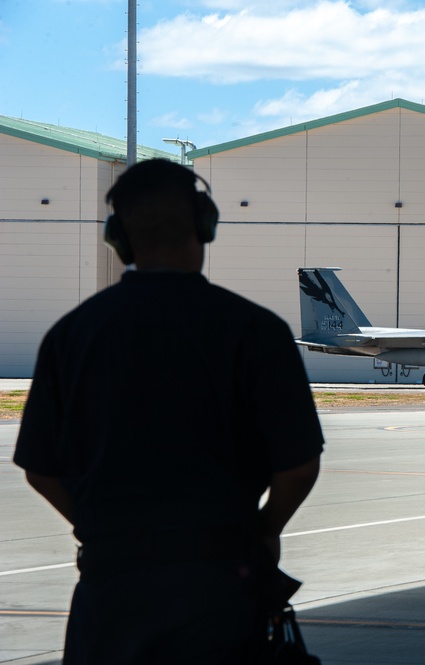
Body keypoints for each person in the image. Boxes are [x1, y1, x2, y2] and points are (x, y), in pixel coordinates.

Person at [13, 158, 325, 664]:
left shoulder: (71, 335)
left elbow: (39, 470)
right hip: (218, 589)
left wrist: (102, 529)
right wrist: (265, 529)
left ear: (119, 237)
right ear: (205, 224)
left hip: (108, 593)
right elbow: (298, 467)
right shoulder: (254, 330)